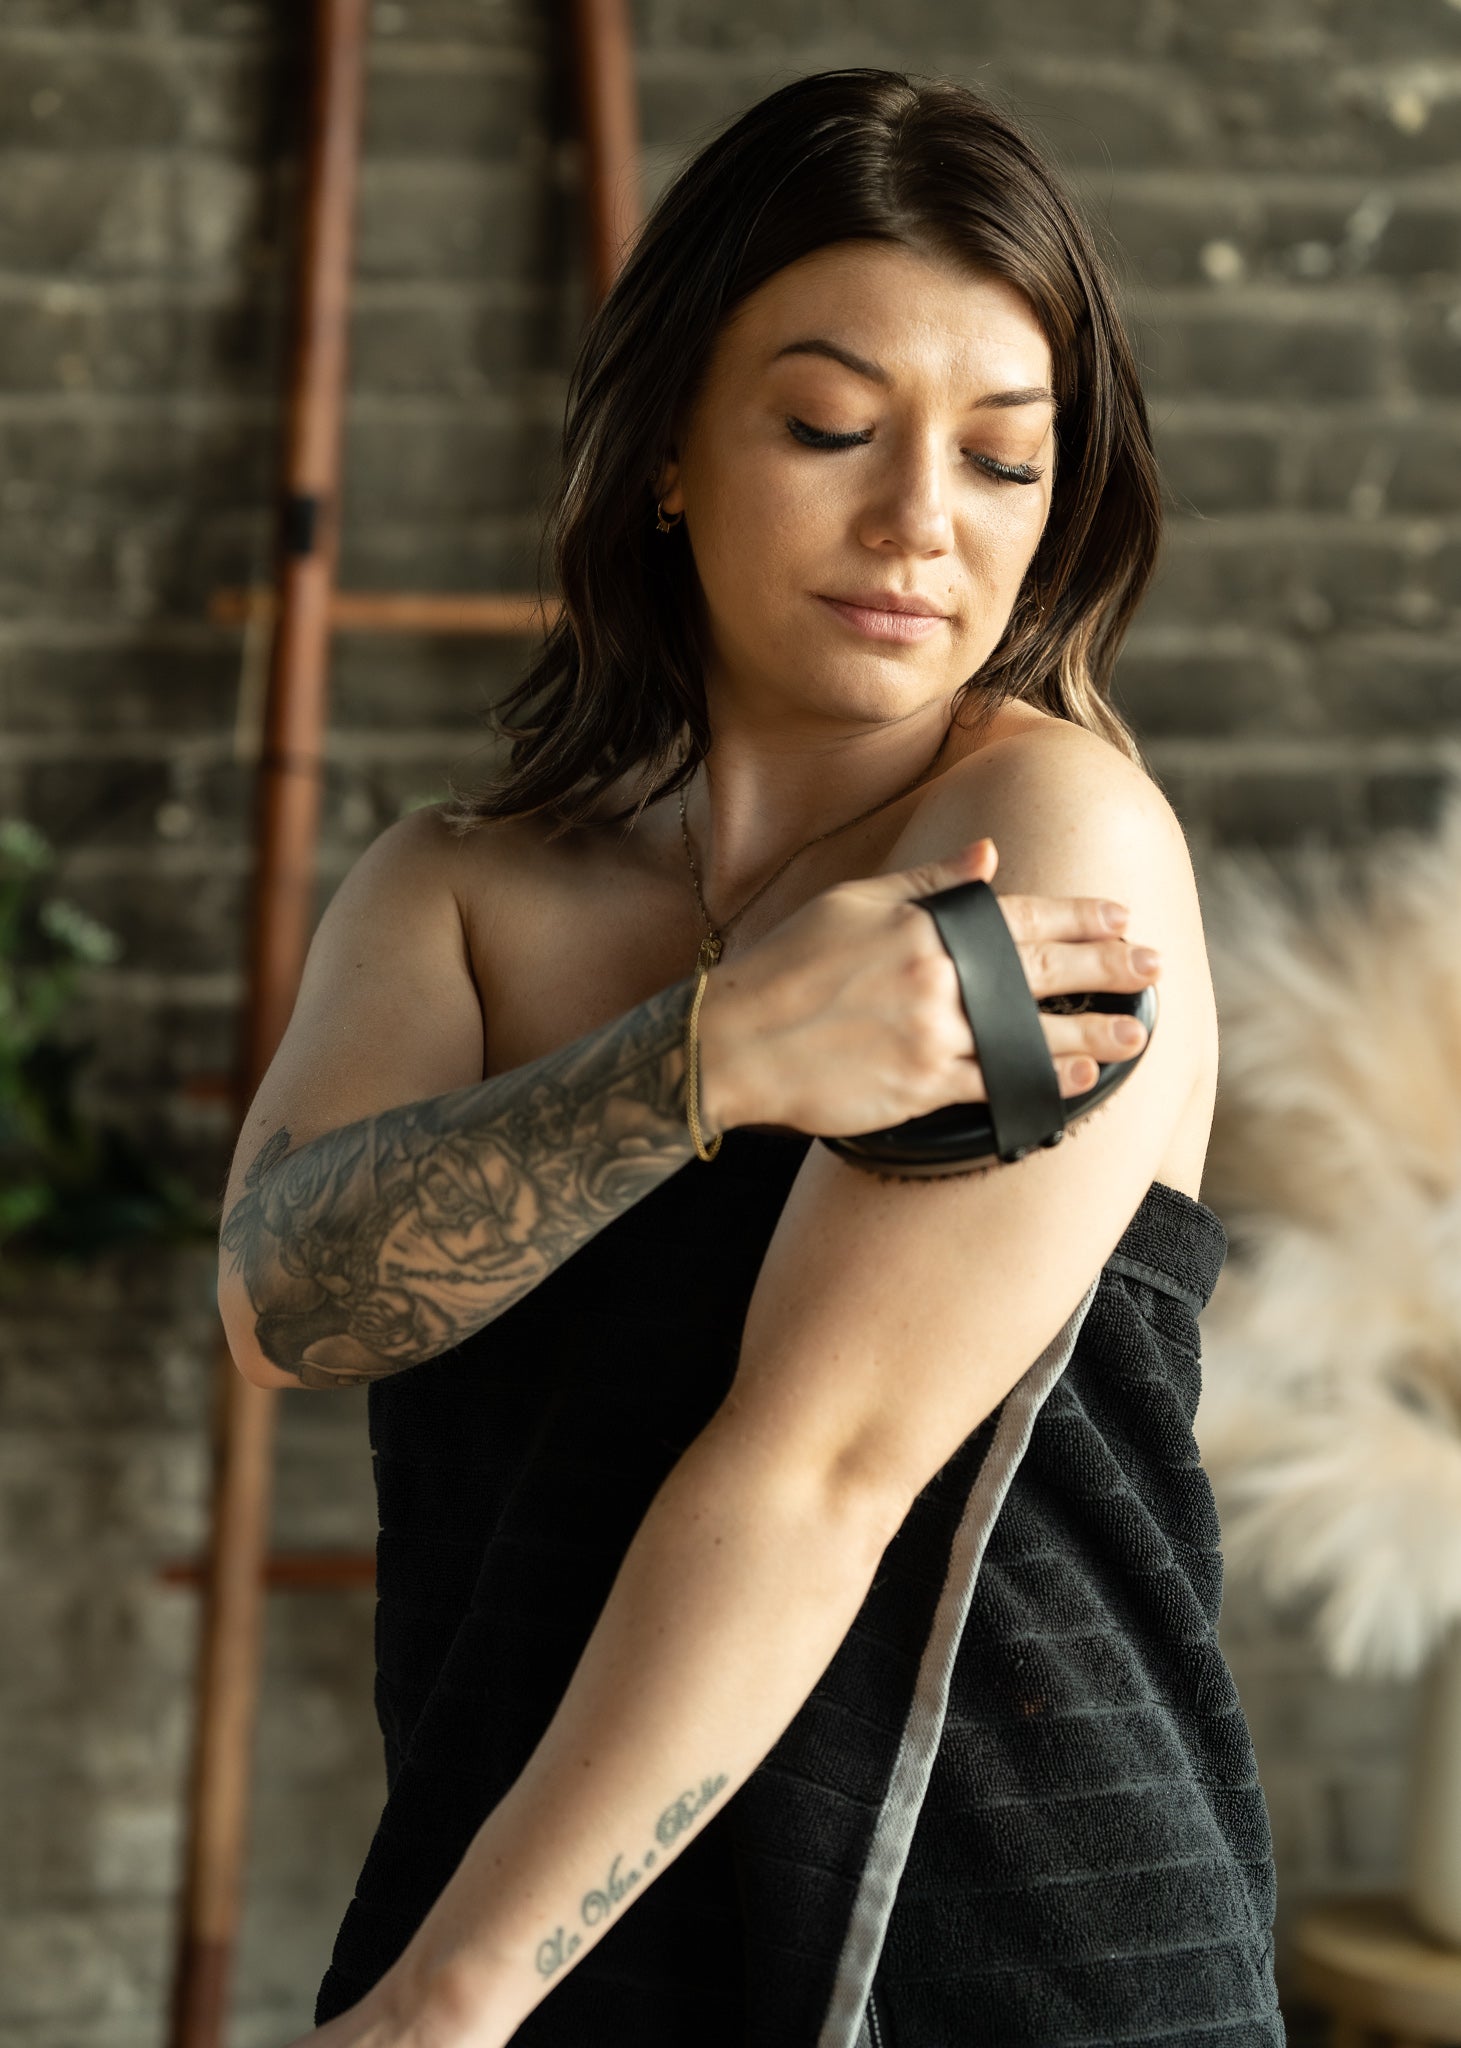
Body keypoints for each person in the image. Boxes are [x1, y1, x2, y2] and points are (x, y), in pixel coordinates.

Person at [218, 67, 1282, 2048]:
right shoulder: (454, 894)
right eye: (826, 426)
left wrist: (443, 2000)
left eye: (1002, 459)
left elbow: (819, 1471)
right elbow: (285, 1305)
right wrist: (702, 1064)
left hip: (1007, 1961)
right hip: (554, 1951)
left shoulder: (1048, 843)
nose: (917, 522)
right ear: (666, 453)